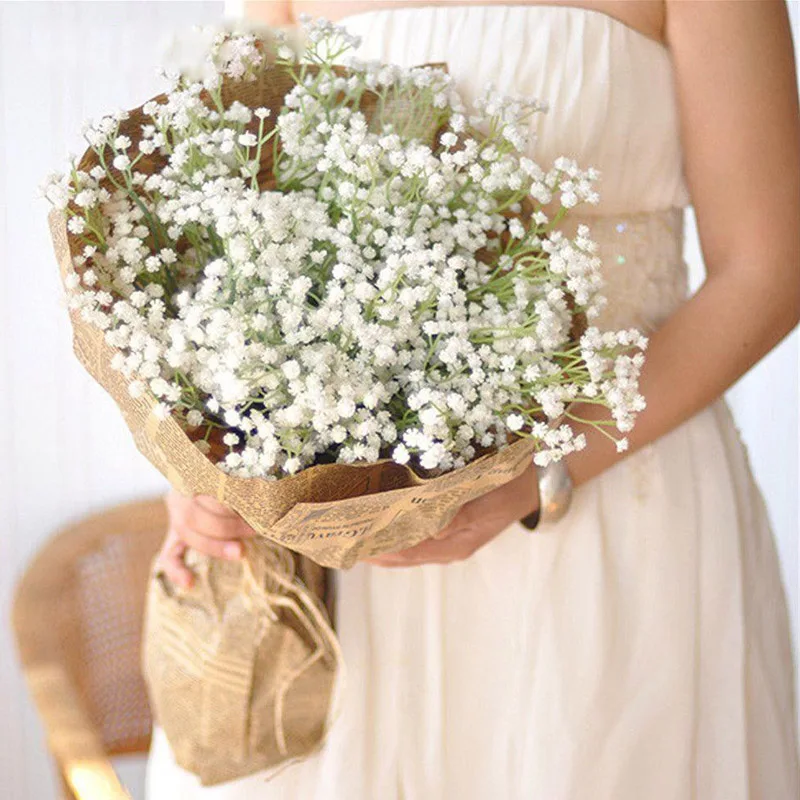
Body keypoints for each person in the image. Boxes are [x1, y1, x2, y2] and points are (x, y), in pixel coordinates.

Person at [146, 1, 800, 797]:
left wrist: (537, 476)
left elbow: (768, 269)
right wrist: (204, 468)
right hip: (345, 529)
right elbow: (233, 225)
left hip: (610, 500)